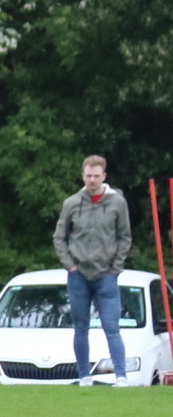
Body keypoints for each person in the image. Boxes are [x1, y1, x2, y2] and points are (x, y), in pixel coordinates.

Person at [53, 155, 132, 387]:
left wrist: (115, 270)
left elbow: (125, 237)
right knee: (80, 327)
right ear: (83, 176)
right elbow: (59, 238)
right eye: (88, 175)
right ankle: (84, 375)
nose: (92, 180)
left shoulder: (118, 203)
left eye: (97, 176)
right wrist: (70, 265)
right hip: (78, 276)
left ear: (104, 176)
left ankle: (121, 376)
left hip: (106, 275)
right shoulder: (71, 203)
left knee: (111, 327)